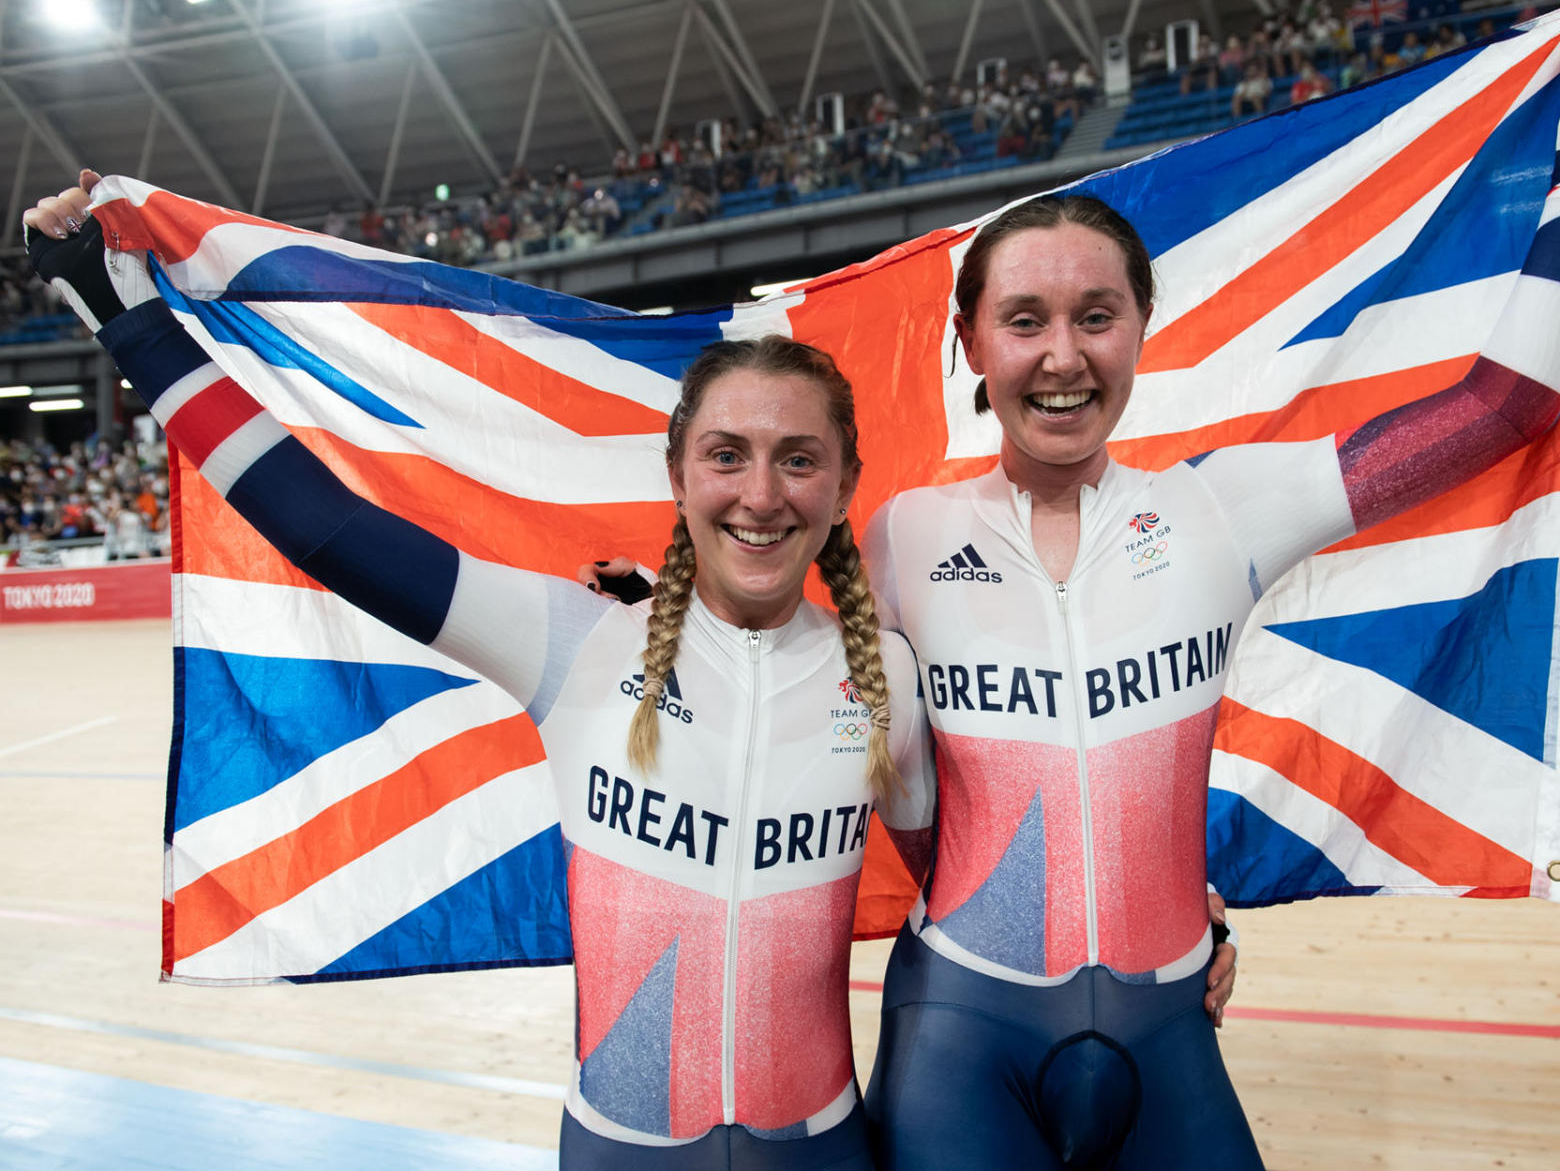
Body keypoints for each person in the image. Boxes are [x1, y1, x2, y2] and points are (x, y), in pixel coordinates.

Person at [850, 0, 1560, 1171]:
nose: (1064, 355)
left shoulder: (1222, 506)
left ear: (1143, 325)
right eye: (1023, 320)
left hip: (1169, 1018)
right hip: (961, 1026)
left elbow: (1500, 407)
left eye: (1098, 315)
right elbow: (873, 768)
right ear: (971, 345)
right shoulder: (903, 536)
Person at [21, 187, 936, 1170]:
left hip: (825, 1149)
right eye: (728, 456)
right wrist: (116, 313)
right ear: (678, 473)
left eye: (799, 460)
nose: (762, 494)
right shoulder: (576, 641)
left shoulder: (887, 677)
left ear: (844, 487)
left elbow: (949, 897)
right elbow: (325, 527)